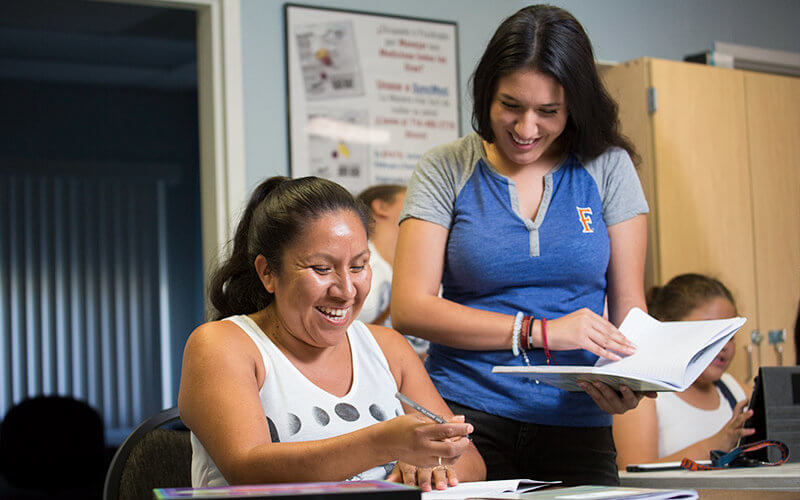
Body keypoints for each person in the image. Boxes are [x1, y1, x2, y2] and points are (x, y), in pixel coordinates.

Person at [391, 4, 651, 486]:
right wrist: (538, 331)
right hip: (465, 415)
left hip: (579, 421)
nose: (526, 128)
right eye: (511, 105)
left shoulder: (608, 168)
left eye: (548, 112)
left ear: (575, 105)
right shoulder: (446, 167)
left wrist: (633, 379)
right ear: (486, 92)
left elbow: (630, 308)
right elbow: (409, 306)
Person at [178, 176, 484, 490]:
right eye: (322, 269)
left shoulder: (389, 347)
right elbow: (248, 469)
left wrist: (432, 463)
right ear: (267, 272)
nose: (346, 290)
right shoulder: (222, 345)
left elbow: (471, 460)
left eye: (358, 266)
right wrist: (385, 444)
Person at [613, 274, 753, 467]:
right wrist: (718, 444)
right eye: (713, 332)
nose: (724, 346)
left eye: (730, 335)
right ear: (667, 328)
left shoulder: (736, 389)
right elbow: (632, 475)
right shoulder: (641, 394)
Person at [356, 185, 429, 358]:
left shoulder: (423, 273)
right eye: (414, 199)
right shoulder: (356, 268)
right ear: (381, 207)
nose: (427, 207)